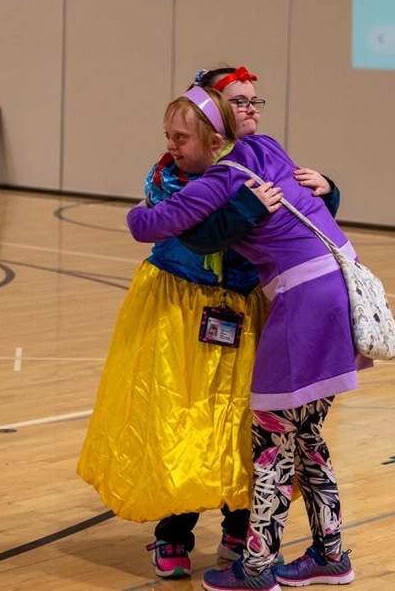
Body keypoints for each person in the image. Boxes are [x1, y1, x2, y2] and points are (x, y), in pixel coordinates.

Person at [76, 66, 339, 580]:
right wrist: (243, 208)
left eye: (255, 100)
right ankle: (173, 531)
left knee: (242, 421)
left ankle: (240, 524)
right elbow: (190, 232)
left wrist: (328, 191)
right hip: (182, 305)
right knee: (179, 417)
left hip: (246, 306)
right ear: (211, 114)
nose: (251, 110)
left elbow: (303, 216)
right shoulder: (174, 175)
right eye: (238, 101)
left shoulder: (264, 157)